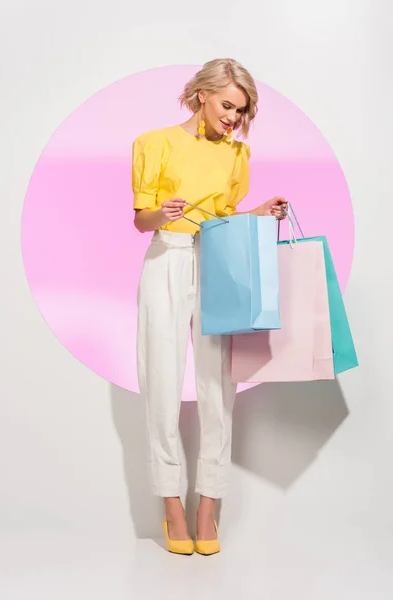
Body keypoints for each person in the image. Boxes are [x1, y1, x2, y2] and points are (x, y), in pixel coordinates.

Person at [132, 58, 287, 555]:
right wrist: (163, 211)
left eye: (240, 111)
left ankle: (208, 504)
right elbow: (140, 220)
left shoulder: (236, 154)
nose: (233, 119)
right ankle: (171, 501)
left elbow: (225, 220)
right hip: (168, 258)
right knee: (160, 378)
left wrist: (259, 213)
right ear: (202, 94)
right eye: (227, 106)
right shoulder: (153, 143)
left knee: (219, 383)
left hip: (217, 261)